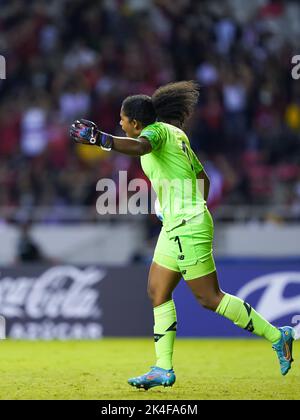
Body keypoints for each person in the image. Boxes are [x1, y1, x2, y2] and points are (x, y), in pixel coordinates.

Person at [70, 81, 295, 390]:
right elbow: (201, 177)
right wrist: (176, 203)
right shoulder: (177, 135)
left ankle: (277, 336)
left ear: (135, 123)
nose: (120, 124)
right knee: (157, 290)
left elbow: (139, 146)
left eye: (122, 120)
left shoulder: (157, 133)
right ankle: (162, 368)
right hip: (178, 223)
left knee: (209, 298)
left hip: (187, 225)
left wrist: (101, 139)